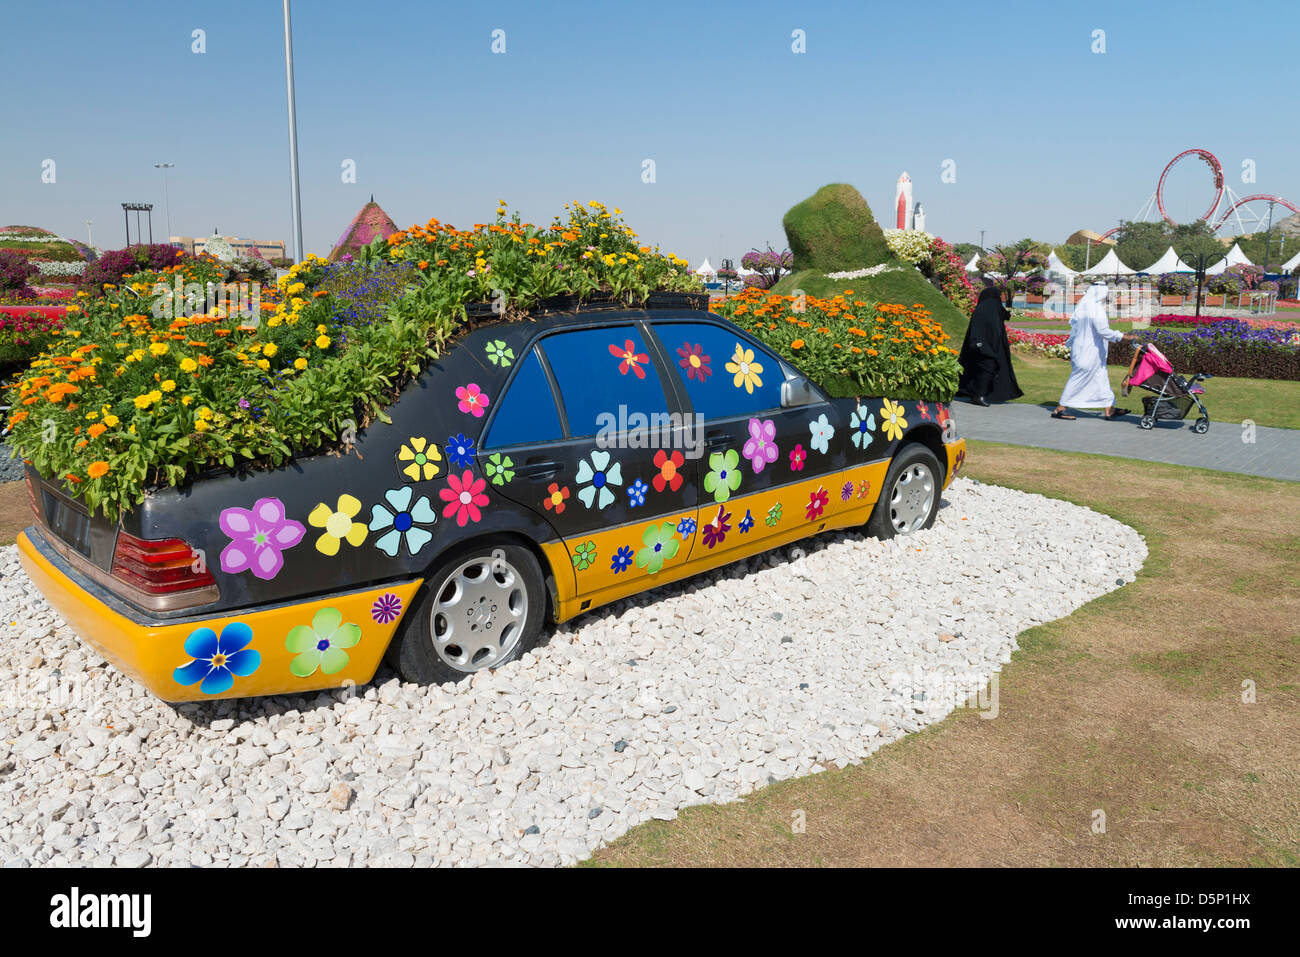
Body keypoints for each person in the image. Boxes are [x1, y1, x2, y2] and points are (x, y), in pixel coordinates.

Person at [1052, 283, 1133, 420]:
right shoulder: (1096, 309)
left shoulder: (1084, 306)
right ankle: (1060, 409)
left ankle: (1109, 409)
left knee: (1101, 378)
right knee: (1078, 379)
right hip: (1089, 352)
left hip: (1085, 350)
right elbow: (1103, 331)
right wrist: (1123, 336)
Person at [957, 285, 1023, 406]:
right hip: (981, 345)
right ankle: (979, 395)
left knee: (983, 368)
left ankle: (976, 394)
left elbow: (1006, 315)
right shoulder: (983, 311)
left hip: (989, 345)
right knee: (989, 366)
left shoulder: (991, 309)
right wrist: (978, 344)